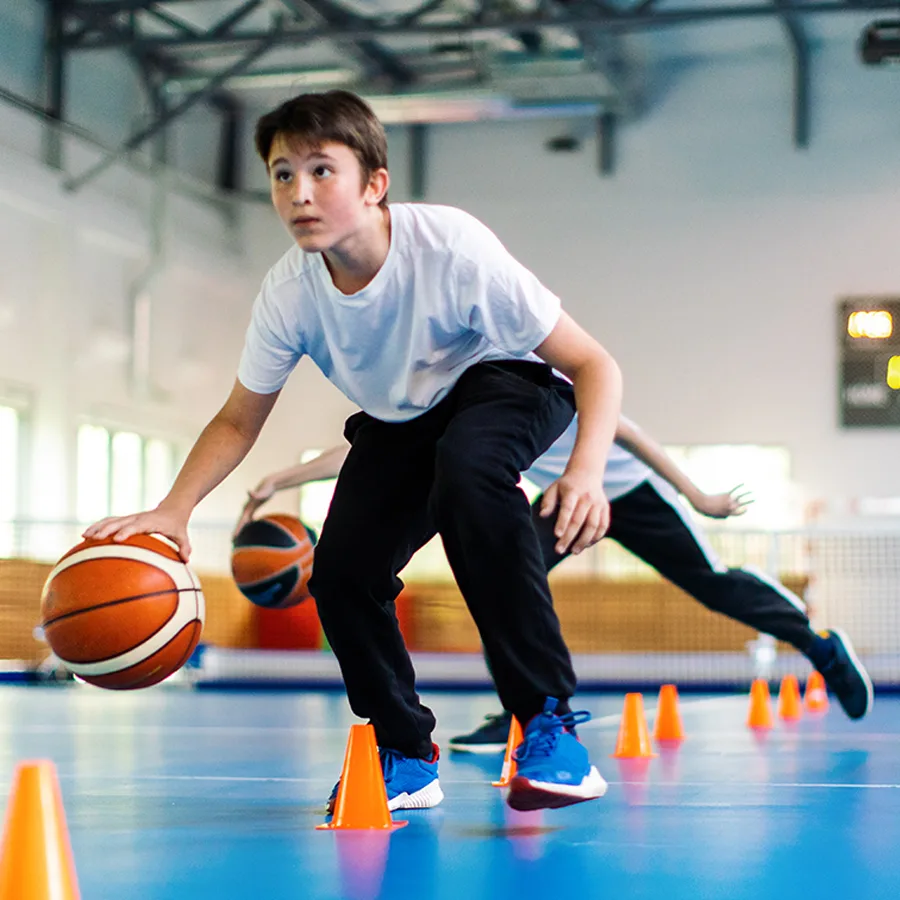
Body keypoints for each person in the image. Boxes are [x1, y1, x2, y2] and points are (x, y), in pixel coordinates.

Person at [84, 90, 622, 813]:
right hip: (401, 418)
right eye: (281, 175)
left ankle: (549, 722)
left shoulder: (451, 247)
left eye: (321, 171)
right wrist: (172, 512)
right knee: (340, 574)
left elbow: (594, 364)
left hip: (508, 380)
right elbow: (239, 419)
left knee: (470, 477)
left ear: (374, 184)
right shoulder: (290, 295)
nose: (298, 194)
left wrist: (586, 474)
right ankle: (404, 750)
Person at [234, 415, 874, 755]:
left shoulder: (535, 365)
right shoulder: (448, 394)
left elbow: (625, 428)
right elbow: (368, 452)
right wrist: (285, 478)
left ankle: (821, 648)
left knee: (710, 584)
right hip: (564, 499)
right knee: (500, 575)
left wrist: (697, 493)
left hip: (624, 491)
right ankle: (528, 710)